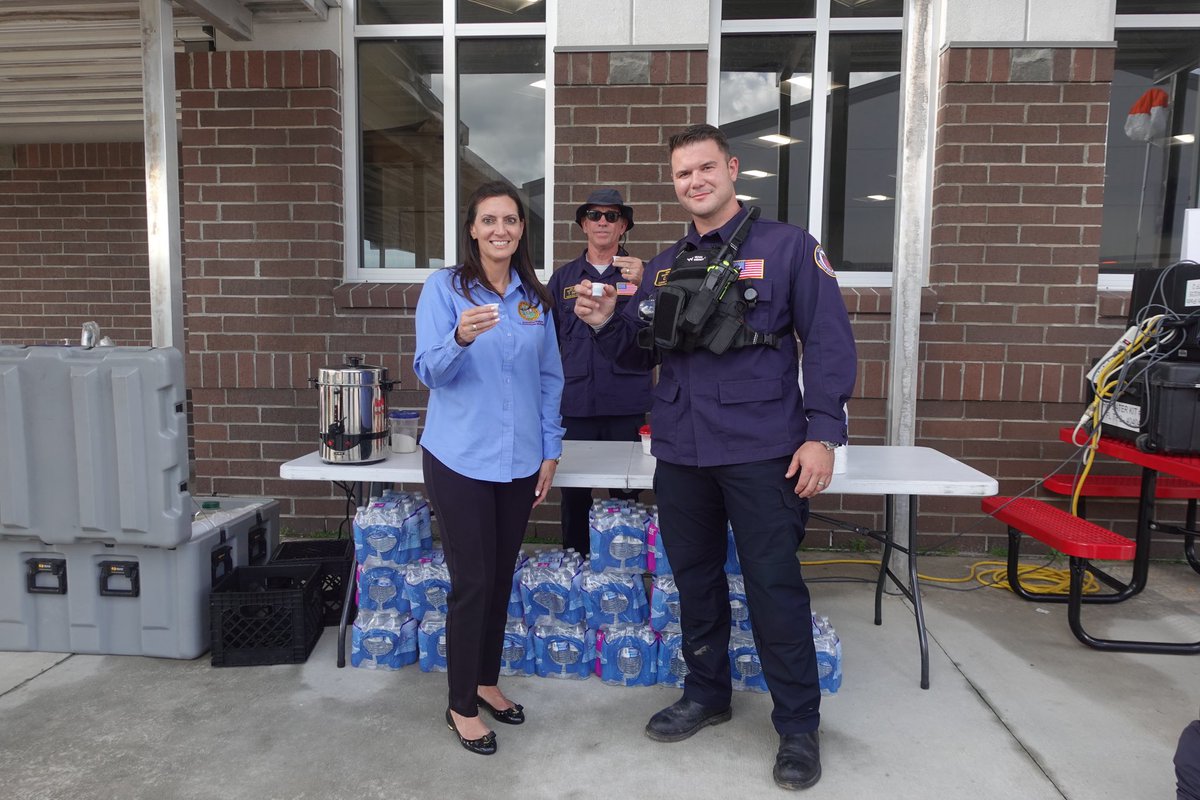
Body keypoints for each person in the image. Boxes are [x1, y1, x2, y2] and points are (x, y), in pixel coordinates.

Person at [572, 124, 856, 791]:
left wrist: (823, 432)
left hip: (765, 451)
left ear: (731, 169)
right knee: (693, 582)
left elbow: (830, 344)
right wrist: (606, 323)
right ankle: (707, 694)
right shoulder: (666, 265)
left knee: (773, 588)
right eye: (682, 175)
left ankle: (797, 726)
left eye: (705, 169)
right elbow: (639, 355)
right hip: (681, 451)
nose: (695, 182)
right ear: (674, 186)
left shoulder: (787, 249)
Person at [413, 181, 565, 756]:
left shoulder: (534, 298)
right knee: (472, 581)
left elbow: (550, 377)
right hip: (459, 459)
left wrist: (551, 450)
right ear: (472, 229)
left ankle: (485, 680)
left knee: (501, 578)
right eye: (488, 220)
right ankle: (460, 705)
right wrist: (458, 337)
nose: (500, 229)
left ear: (522, 230)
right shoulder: (444, 290)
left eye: (511, 220)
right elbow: (428, 371)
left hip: (521, 459)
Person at [547, 188, 653, 555]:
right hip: (575, 403)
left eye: (612, 216)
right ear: (583, 224)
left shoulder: (643, 275)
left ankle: (623, 568)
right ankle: (574, 563)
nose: (603, 222)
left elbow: (658, 332)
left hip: (625, 402)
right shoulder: (563, 280)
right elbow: (549, 343)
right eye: (595, 215)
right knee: (574, 492)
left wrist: (651, 283)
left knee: (626, 493)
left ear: (624, 225)